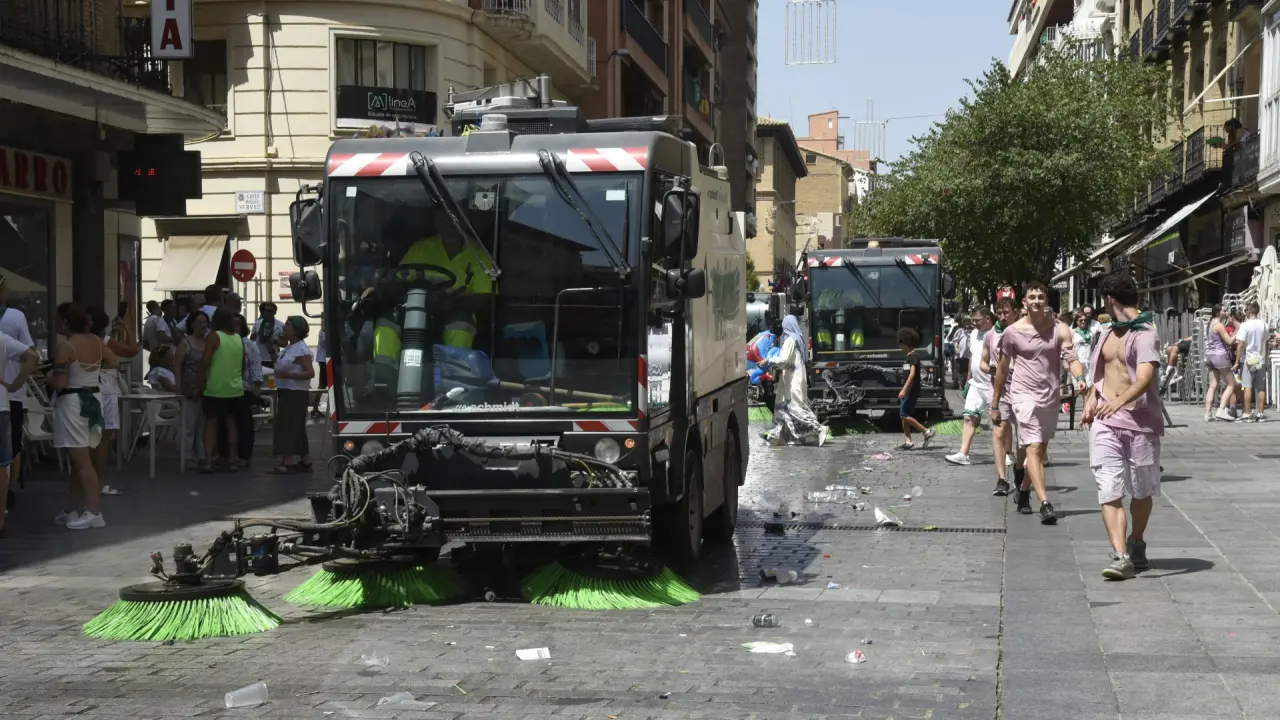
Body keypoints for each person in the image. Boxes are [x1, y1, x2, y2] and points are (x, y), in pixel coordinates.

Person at [1082, 271, 1164, 580]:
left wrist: (1118, 401)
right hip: (1105, 422)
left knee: (1141, 492)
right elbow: (1099, 375)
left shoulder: (1145, 334)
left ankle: (1136, 540)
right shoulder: (1106, 332)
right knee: (1109, 489)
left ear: (1109, 300)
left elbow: (1144, 378)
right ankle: (1120, 556)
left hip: (1140, 424)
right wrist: (1092, 398)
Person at [991, 281, 1086, 524]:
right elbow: (1001, 369)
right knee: (1033, 448)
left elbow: (1071, 358)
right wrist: (995, 403)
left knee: (1040, 449)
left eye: (1040, 297)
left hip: (1050, 395)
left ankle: (1024, 490)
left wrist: (1080, 379)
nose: (1036, 301)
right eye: (1032, 297)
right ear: (1024, 301)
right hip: (1022, 395)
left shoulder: (1059, 329)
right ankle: (1045, 503)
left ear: (1046, 301)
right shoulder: (1012, 332)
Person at [366, 217, 495, 392]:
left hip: (453, 312)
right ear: (436, 221)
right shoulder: (421, 248)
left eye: (456, 218)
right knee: (386, 322)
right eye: (444, 218)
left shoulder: (479, 256)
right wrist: (380, 287)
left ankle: (454, 384)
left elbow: (485, 299)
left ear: (465, 221)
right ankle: (384, 381)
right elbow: (399, 279)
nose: (450, 223)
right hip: (414, 308)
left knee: (461, 325)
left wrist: (452, 302)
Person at [50, 303, 118, 530]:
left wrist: (51, 377)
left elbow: (59, 383)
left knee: (81, 462)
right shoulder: (96, 341)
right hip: (93, 399)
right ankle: (71, 509)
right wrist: (91, 373)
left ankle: (94, 512)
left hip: (73, 403)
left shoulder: (66, 347)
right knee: (81, 459)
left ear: (65, 322)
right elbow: (114, 361)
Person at [89, 307, 140, 493]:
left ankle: (87, 481)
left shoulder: (84, 341)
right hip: (106, 388)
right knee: (103, 440)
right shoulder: (105, 341)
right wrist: (126, 327)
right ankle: (99, 483)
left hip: (89, 388)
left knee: (89, 438)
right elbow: (133, 349)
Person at [763, 315, 828, 446]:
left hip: (793, 379)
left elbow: (785, 360)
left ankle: (819, 429)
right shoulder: (797, 339)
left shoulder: (790, 340)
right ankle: (779, 436)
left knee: (795, 407)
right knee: (782, 408)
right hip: (792, 377)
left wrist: (769, 360)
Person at [0, 274, 34, 510]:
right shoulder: (15, 317)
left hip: (8, 392)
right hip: (9, 392)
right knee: (11, 448)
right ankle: (9, 492)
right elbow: (31, 354)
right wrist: (15, 384)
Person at [197, 308, 245, 472]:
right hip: (235, 389)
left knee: (211, 424)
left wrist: (200, 381)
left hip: (215, 388)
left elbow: (205, 361)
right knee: (232, 424)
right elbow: (242, 363)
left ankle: (208, 461)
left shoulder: (214, 337)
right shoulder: (238, 338)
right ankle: (233, 459)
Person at [946, 308, 994, 468]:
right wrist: (968, 378)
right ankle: (963, 453)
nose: (974, 323)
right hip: (976, 383)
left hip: (993, 384)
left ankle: (1007, 453)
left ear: (987, 318)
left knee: (1000, 422)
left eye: (977, 320)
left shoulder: (997, 334)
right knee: (968, 417)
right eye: (973, 320)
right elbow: (973, 356)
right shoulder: (973, 333)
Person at [0, 328, 36, 536]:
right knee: (1, 465)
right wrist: (12, 386)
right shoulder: (2, 338)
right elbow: (32, 356)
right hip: (1, 405)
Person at [272, 316, 316, 473]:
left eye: (288, 324)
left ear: (296, 330)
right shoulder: (290, 347)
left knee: (288, 426)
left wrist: (288, 376)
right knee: (296, 426)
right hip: (287, 390)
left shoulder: (300, 349)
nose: (284, 326)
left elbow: (310, 372)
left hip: (295, 392)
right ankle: (305, 459)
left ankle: (287, 460)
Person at [175, 310, 210, 465]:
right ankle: (187, 457)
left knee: (202, 426)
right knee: (188, 426)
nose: (203, 325)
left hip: (206, 389)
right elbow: (178, 367)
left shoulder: (209, 343)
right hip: (188, 389)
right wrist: (178, 389)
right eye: (200, 322)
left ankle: (201, 455)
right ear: (192, 324)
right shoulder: (185, 342)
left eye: (205, 322)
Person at [897, 327, 936, 450]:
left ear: (906, 343)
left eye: (901, 343)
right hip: (908, 390)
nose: (900, 346)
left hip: (911, 391)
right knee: (904, 414)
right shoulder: (908, 356)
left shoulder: (913, 356)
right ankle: (908, 441)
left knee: (904, 415)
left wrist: (904, 389)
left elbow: (912, 374)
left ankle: (926, 431)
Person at [233, 314, 264, 465]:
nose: (234, 327)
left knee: (244, 423)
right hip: (225, 387)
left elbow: (256, 365)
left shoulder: (248, 344)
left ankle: (245, 455)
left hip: (243, 388)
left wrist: (257, 385)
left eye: (237, 324)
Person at [1235, 301, 1269, 422]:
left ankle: (1247, 413)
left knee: (1247, 386)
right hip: (1261, 359)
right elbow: (1266, 343)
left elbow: (1240, 344)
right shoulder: (1264, 325)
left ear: (1249, 311)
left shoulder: (1245, 325)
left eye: (1246, 310)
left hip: (1249, 359)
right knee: (1261, 387)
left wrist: (1237, 361)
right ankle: (1260, 413)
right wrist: (1266, 358)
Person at [1203, 304, 1237, 422]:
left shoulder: (1210, 323)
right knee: (1231, 384)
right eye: (1224, 311)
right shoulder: (1219, 325)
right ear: (1218, 313)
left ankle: (1207, 413)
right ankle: (1221, 410)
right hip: (1220, 356)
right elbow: (1229, 341)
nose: (1227, 313)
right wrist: (1238, 330)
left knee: (1213, 385)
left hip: (1210, 356)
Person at [252, 302, 284, 367]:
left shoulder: (280, 325)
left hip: (272, 359)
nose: (267, 312)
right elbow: (252, 339)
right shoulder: (257, 323)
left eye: (270, 311)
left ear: (275, 312)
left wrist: (274, 341)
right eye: (265, 310)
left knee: (271, 374)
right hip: (258, 358)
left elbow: (284, 344)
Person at [311, 323, 328, 419]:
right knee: (322, 385)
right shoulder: (324, 330)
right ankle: (315, 408)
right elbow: (326, 344)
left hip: (326, 359)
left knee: (324, 385)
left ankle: (316, 407)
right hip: (324, 360)